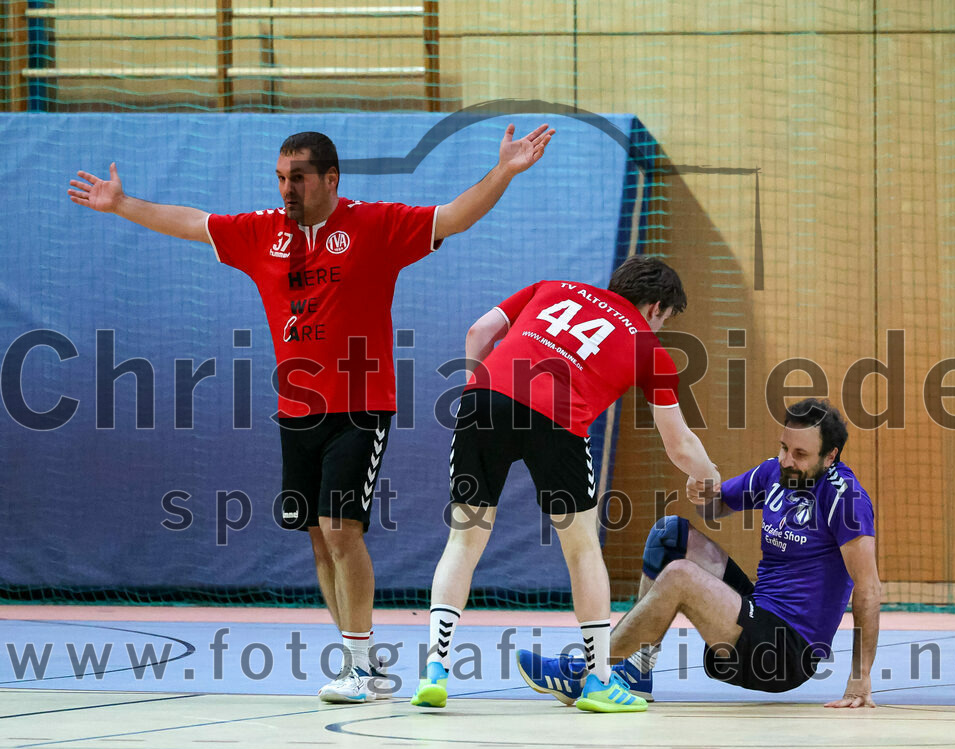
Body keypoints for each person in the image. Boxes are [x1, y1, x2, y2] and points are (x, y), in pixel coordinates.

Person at [68, 123, 555, 704]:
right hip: (296, 409)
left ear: (330, 179)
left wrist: (503, 171)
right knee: (319, 539)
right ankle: (362, 662)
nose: (286, 189)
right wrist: (121, 204)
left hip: (362, 405)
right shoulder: (262, 233)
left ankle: (359, 667)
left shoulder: (375, 226)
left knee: (341, 528)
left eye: (297, 178)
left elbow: (453, 216)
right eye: (280, 178)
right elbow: (193, 222)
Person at [410, 255, 720, 713]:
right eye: (665, 319)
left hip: (484, 401)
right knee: (581, 549)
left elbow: (478, 332)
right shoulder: (647, 345)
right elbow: (679, 444)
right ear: (655, 307)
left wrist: (482, 389)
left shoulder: (551, 286)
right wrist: (708, 475)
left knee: (464, 540)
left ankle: (434, 670)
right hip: (556, 419)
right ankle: (598, 682)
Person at [518, 398, 881, 708]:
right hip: (758, 613)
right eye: (784, 447)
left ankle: (587, 671)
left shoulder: (846, 499)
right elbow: (716, 507)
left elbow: (868, 588)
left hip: (785, 652)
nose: (787, 460)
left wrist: (860, 677)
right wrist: (703, 491)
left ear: (830, 456)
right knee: (670, 534)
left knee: (680, 577)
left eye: (800, 454)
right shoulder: (775, 473)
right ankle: (635, 671)